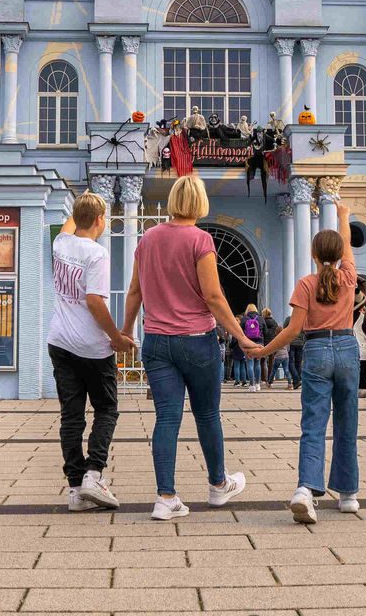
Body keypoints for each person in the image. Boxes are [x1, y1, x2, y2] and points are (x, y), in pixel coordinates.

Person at [122, 174, 254, 520]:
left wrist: (125, 331)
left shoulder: (148, 238)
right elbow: (212, 296)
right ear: (200, 203)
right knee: (207, 415)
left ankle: (166, 497)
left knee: (167, 417)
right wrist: (240, 335)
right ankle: (217, 485)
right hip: (197, 342)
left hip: (156, 342)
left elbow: (135, 291)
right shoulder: (201, 240)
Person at [252, 203, 360, 523]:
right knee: (346, 422)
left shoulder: (306, 284)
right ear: (339, 254)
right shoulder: (349, 275)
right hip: (346, 348)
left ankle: (306, 489)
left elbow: (293, 331)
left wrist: (263, 351)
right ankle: (348, 494)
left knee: (313, 423)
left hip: (315, 351)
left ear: (313, 255)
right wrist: (343, 214)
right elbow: (348, 244)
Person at [48, 192, 135, 512]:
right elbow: (96, 301)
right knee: (106, 409)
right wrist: (118, 337)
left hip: (59, 342)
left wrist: (84, 201)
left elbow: (71, 222)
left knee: (71, 416)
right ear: (101, 220)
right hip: (93, 348)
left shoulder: (60, 244)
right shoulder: (96, 255)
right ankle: (93, 475)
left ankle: (74, 488)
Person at [352, 285, 366, 397]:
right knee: (364, 368)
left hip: (352, 345)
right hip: (361, 345)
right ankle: (363, 387)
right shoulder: (360, 316)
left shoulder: (349, 314)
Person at [241, 304, 265, 392]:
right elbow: (265, 331)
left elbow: (240, 332)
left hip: (248, 343)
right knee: (257, 363)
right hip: (259, 342)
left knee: (249, 364)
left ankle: (252, 385)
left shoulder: (244, 319)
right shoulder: (260, 318)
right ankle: (258, 384)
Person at [261, 307, 280, 386]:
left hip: (264, 343)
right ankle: (270, 379)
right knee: (271, 362)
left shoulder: (263, 322)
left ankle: (263, 379)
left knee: (262, 361)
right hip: (273, 344)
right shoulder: (275, 322)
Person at [285, 314, 304, 389]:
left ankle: (296, 380)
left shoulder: (289, 319)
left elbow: (284, 330)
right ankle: (297, 381)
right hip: (301, 344)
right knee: (298, 363)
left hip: (291, 343)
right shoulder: (303, 319)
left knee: (290, 362)